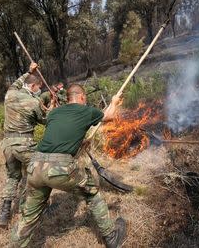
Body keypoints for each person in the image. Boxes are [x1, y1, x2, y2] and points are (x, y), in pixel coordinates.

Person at [12, 84, 127, 248]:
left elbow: (61, 135)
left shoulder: (54, 113)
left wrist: (80, 142)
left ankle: (16, 244)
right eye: (85, 98)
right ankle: (111, 237)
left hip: (35, 166)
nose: (85, 100)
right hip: (60, 169)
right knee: (92, 194)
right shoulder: (86, 110)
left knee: (29, 215)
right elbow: (109, 116)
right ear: (81, 97)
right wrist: (114, 102)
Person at [0, 62, 53, 228]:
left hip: (7, 144)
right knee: (35, 175)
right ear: (33, 86)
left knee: (13, 177)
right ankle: (27, 209)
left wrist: (28, 71)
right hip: (24, 144)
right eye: (38, 87)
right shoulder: (33, 102)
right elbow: (47, 121)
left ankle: (5, 211)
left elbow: (17, 83)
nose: (39, 90)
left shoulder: (10, 94)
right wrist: (52, 107)